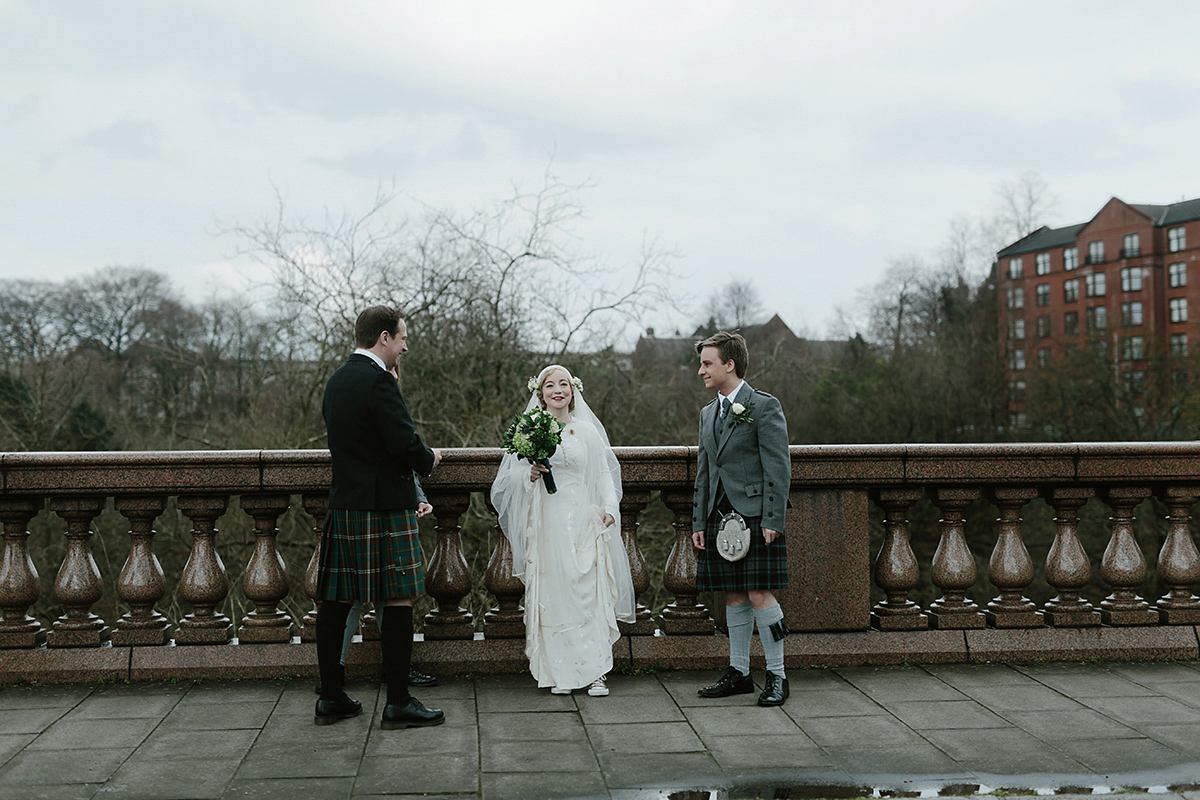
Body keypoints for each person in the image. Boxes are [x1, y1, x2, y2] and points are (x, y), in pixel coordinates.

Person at [315, 305, 444, 729]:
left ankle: (331, 697)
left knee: (334, 603)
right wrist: (429, 459)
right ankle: (399, 702)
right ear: (384, 337)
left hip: (345, 504)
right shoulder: (377, 381)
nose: (405, 346)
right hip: (384, 508)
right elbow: (403, 442)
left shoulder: (336, 380)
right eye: (402, 337)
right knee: (398, 597)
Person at [490, 365, 635, 696]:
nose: (558, 390)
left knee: (589, 592)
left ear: (573, 390)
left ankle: (596, 672)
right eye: (550, 385)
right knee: (557, 596)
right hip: (548, 521)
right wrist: (529, 475)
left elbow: (603, 474)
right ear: (540, 392)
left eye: (564, 384)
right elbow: (508, 479)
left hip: (585, 519)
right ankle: (561, 673)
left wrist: (610, 508)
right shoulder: (529, 431)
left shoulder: (586, 431)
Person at [691, 331, 791, 707]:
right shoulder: (707, 413)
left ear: (729, 365)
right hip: (719, 516)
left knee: (759, 593)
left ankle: (778, 676)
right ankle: (740, 672)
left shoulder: (763, 406)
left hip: (754, 515)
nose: (701, 371)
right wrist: (699, 521)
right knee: (733, 595)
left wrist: (772, 518)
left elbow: (778, 468)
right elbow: (705, 471)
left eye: (707, 363)